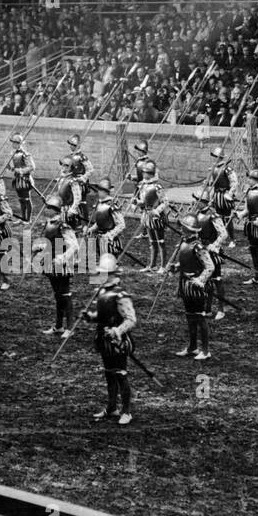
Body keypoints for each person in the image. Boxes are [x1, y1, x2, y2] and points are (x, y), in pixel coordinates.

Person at [84, 254, 137, 425]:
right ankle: (112, 407)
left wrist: (117, 331)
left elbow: (130, 319)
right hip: (104, 340)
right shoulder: (102, 292)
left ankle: (126, 411)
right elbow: (103, 315)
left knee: (120, 375)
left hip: (118, 342)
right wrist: (90, 317)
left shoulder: (121, 295)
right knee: (109, 374)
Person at [172, 214, 214, 361]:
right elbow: (185, 262)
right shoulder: (184, 243)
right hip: (185, 284)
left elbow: (209, 266)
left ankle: (206, 350)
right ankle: (192, 347)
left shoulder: (198, 247)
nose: (182, 230)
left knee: (200, 318)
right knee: (189, 316)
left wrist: (200, 280)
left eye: (184, 227)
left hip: (196, 287)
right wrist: (176, 267)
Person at [38, 194, 78, 337]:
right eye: (47, 207)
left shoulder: (63, 226)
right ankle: (59, 326)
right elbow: (51, 242)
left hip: (62, 264)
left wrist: (62, 257)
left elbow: (74, 246)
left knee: (65, 295)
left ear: (56, 210)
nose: (47, 210)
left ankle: (70, 327)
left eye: (50, 207)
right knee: (57, 295)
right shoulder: (49, 224)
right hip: (50, 262)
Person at [133, 161, 169, 274]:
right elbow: (143, 202)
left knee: (161, 242)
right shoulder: (142, 185)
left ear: (151, 173)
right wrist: (137, 202)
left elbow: (165, 202)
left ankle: (163, 266)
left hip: (156, 217)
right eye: (143, 172)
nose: (144, 174)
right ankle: (152, 265)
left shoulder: (157, 187)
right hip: (147, 215)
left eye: (147, 172)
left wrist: (157, 210)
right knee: (152, 242)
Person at [8, 133, 36, 221]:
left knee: (27, 199)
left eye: (15, 143)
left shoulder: (25, 154)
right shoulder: (12, 154)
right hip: (17, 180)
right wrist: (10, 167)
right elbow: (12, 167)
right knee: (21, 200)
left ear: (20, 144)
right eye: (13, 142)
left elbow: (32, 167)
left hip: (25, 180)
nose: (13, 144)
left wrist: (19, 171)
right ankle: (23, 218)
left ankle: (28, 219)